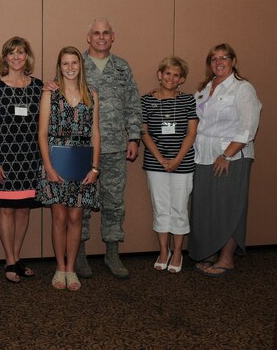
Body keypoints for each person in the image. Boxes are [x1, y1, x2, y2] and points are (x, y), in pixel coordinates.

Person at [47, 19, 142, 278]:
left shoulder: (122, 68)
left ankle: (112, 254)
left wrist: (134, 137)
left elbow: (133, 103)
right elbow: (57, 95)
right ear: (88, 37)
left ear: (113, 36)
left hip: (114, 148)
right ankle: (80, 256)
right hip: (80, 150)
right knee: (81, 206)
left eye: (106, 33)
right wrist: (49, 85)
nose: (101, 37)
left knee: (114, 202)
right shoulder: (77, 64)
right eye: (96, 33)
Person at [189, 43, 261, 277]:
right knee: (208, 207)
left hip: (230, 157)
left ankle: (227, 258)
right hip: (204, 155)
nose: (219, 62)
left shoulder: (242, 88)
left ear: (233, 60)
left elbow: (247, 127)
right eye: (214, 59)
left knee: (230, 207)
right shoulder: (205, 88)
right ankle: (211, 251)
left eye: (224, 57)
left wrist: (226, 154)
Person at [37, 46, 100, 291]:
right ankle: (60, 267)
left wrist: (95, 168)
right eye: (66, 63)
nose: (70, 68)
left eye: (75, 63)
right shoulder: (49, 94)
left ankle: (71, 268)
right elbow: (42, 134)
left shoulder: (92, 94)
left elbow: (95, 133)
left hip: (83, 163)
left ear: (80, 66)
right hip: (56, 161)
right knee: (59, 217)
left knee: (76, 217)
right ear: (59, 67)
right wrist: (49, 168)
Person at [0, 36, 43, 283]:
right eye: (12, 53)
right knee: (7, 210)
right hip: (6, 159)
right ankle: (9, 260)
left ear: (27, 56)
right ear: (5, 57)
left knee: (24, 212)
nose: (16, 57)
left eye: (21, 52)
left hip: (31, 159)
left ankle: (17, 257)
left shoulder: (39, 87)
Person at [140, 56, 197, 273]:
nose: (171, 78)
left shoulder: (188, 100)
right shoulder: (146, 100)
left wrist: (177, 160)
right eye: (167, 73)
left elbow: (191, 133)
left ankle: (178, 252)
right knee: (161, 207)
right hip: (156, 164)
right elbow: (144, 132)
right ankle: (164, 251)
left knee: (179, 208)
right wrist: (161, 159)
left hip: (182, 163)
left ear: (181, 79)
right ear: (159, 75)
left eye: (176, 75)